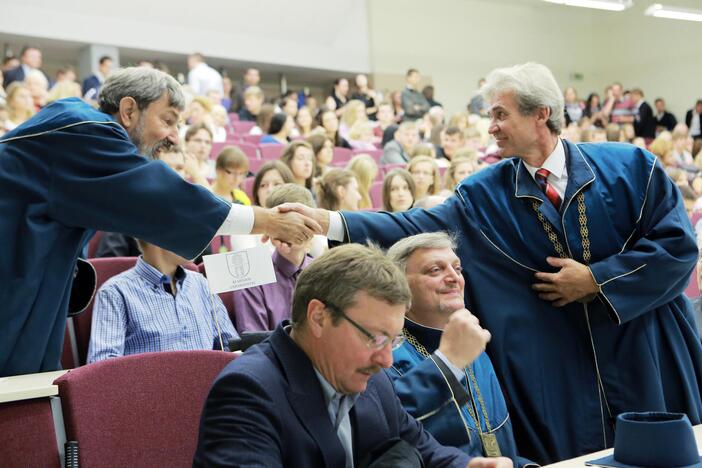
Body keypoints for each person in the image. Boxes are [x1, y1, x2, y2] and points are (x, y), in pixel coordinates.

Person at [285, 62, 702, 465]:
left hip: (643, 347)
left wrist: (597, 279)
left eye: (500, 114)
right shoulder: (483, 193)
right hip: (556, 368)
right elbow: (414, 224)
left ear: (541, 114)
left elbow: (678, 246)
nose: (491, 126)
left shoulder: (631, 167)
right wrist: (327, 220)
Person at [0, 67, 319, 377]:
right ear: (128, 110)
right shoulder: (87, 131)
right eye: (167, 120)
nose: (173, 137)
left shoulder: (75, 130)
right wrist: (268, 220)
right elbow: (166, 196)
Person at [194, 243, 511, 468]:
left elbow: (423, 448)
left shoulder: (370, 376)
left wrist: (470, 466)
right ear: (319, 317)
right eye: (374, 337)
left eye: (394, 340)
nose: (386, 360)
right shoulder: (248, 392)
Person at [386, 233, 534, 467]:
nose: (454, 277)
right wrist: (448, 361)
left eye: (457, 268)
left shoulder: (472, 342)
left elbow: (497, 441)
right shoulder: (386, 355)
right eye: (435, 270)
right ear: (399, 285)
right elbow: (387, 426)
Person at [87, 238, 238, 362]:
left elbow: (233, 348)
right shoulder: (115, 293)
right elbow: (103, 369)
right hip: (151, 395)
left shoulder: (201, 284)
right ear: (158, 234)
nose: (197, 237)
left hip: (209, 391)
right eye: (188, 230)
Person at [233, 184, 315, 332]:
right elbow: (254, 345)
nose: (296, 229)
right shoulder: (252, 278)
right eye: (287, 224)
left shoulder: (324, 272)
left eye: (303, 222)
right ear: (270, 228)